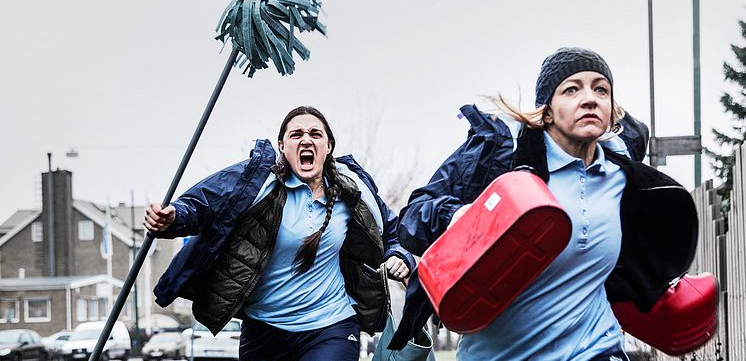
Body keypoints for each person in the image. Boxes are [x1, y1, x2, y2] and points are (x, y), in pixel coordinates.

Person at [390, 47, 699, 360]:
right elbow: (414, 215)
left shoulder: (623, 177)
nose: (590, 98)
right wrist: (460, 217)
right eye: (571, 89)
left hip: (596, 350)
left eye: (601, 89)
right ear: (547, 110)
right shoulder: (500, 159)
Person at [145, 106, 415, 361]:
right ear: (283, 147)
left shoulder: (353, 191)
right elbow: (206, 203)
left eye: (315, 134)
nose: (306, 139)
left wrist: (400, 256)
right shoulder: (257, 183)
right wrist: (174, 217)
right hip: (265, 329)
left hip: (332, 326)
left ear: (328, 146)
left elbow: (395, 232)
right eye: (296, 134)